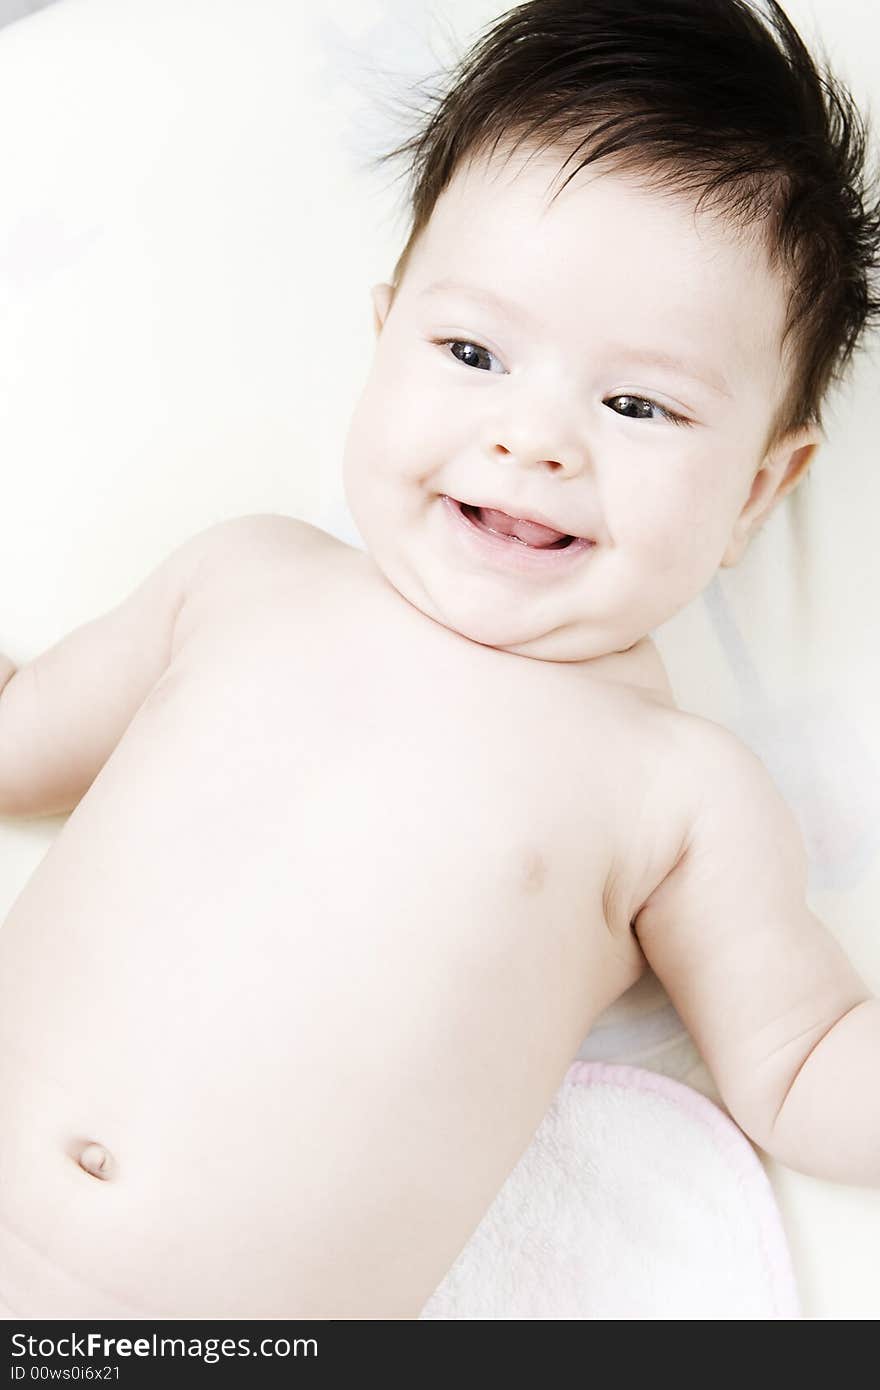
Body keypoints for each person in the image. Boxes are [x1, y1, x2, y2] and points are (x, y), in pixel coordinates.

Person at [0, 0, 878, 1319]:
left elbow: (805, 1057)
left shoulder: (675, 788)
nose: (533, 438)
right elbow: (20, 744)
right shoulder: (244, 576)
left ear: (762, 488)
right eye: (472, 352)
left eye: (636, 404)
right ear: (383, 330)